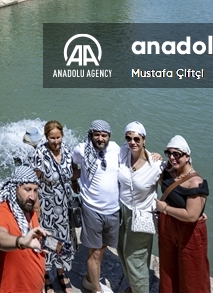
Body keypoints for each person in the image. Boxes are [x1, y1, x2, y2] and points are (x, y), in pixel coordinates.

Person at [70, 120, 122, 293]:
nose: (100, 138)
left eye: (104, 135)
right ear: (91, 134)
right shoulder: (82, 149)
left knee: (103, 248)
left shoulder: (116, 149)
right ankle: (96, 289)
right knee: (95, 253)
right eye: (97, 135)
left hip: (113, 209)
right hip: (92, 208)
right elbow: (72, 161)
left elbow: (136, 155)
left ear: (109, 136)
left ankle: (88, 279)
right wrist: (74, 181)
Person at [155, 135, 209, 293]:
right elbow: (142, 162)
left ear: (187, 156)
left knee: (192, 272)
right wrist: (155, 156)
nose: (172, 158)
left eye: (177, 154)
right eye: (168, 153)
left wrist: (164, 208)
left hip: (189, 230)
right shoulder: (168, 173)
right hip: (168, 225)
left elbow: (191, 215)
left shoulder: (195, 182)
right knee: (167, 266)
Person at [117, 123, 165, 293]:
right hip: (122, 210)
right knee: (121, 250)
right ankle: (134, 286)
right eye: (128, 138)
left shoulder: (156, 165)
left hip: (143, 215)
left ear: (144, 140)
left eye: (136, 138)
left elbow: (172, 184)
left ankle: (141, 289)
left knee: (134, 257)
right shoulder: (122, 154)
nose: (132, 142)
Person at [28, 121, 76, 293]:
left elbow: (72, 174)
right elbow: (34, 181)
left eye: (58, 137)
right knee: (48, 241)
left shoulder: (68, 151)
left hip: (63, 207)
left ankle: (62, 273)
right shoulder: (40, 154)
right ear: (46, 137)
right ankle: (46, 276)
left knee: (62, 240)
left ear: (62, 136)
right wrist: (36, 207)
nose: (56, 141)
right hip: (47, 208)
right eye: (52, 138)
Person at [0, 166, 47, 293]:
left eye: (35, 190)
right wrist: (21, 241)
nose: (32, 196)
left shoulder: (29, 209)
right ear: (15, 188)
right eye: (27, 189)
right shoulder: (3, 213)